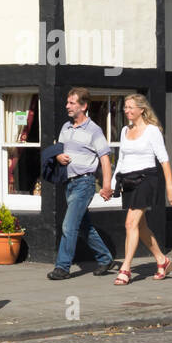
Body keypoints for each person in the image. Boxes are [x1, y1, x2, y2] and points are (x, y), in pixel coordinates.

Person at [47, 88, 115, 280]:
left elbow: (104, 158)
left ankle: (62, 267)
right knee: (84, 226)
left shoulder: (94, 130)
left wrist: (106, 185)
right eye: (67, 102)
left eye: (72, 103)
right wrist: (58, 155)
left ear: (83, 106)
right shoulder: (65, 128)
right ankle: (105, 258)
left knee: (69, 226)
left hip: (84, 183)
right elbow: (58, 149)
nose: (67, 106)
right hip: (68, 184)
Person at [112, 93, 172, 285]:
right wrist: (113, 184)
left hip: (147, 179)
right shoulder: (125, 130)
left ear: (142, 109)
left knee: (130, 223)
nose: (127, 110)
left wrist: (170, 188)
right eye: (125, 107)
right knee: (140, 226)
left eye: (131, 107)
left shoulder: (152, 131)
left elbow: (164, 160)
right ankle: (162, 260)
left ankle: (125, 269)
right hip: (129, 180)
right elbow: (122, 158)